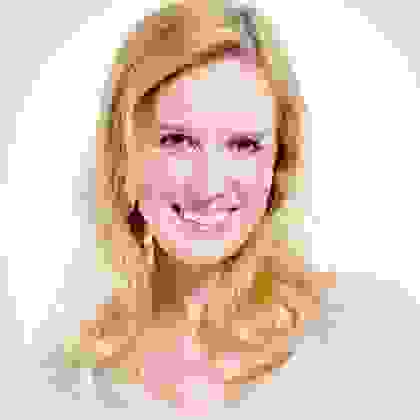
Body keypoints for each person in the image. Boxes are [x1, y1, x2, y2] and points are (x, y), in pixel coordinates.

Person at [75, 0, 335, 415]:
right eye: (176, 141)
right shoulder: (74, 379)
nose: (208, 186)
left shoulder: (355, 337)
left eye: (244, 145)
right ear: (124, 152)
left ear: (280, 161)